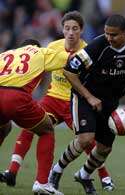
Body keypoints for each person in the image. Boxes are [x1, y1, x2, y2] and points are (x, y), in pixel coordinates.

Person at [0, 11, 114, 193]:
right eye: (67, 28)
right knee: (30, 128)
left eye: (75, 29)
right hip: (52, 98)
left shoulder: (87, 50)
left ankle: (104, 176)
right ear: (62, 29)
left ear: (81, 31)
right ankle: (12, 171)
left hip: (73, 100)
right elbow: (44, 71)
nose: (70, 32)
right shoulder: (52, 47)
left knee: (86, 140)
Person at [49, 14, 125, 195]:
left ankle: (84, 175)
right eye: (106, 33)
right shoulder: (97, 46)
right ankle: (55, 171)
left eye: (113, 35)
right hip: (85, 97)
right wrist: (89, 98)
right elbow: (69, 72)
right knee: (85, 139)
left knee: (105, 148)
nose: (109, 38)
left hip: (110, 101)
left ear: (124, 33)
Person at [0, 38, 70, 195]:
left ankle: (13, 170)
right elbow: (71, 59)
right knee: (46, 129)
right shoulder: (40, 52)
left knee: (4, 128)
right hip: (16, 96)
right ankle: (42, 183)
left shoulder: (6, 54)